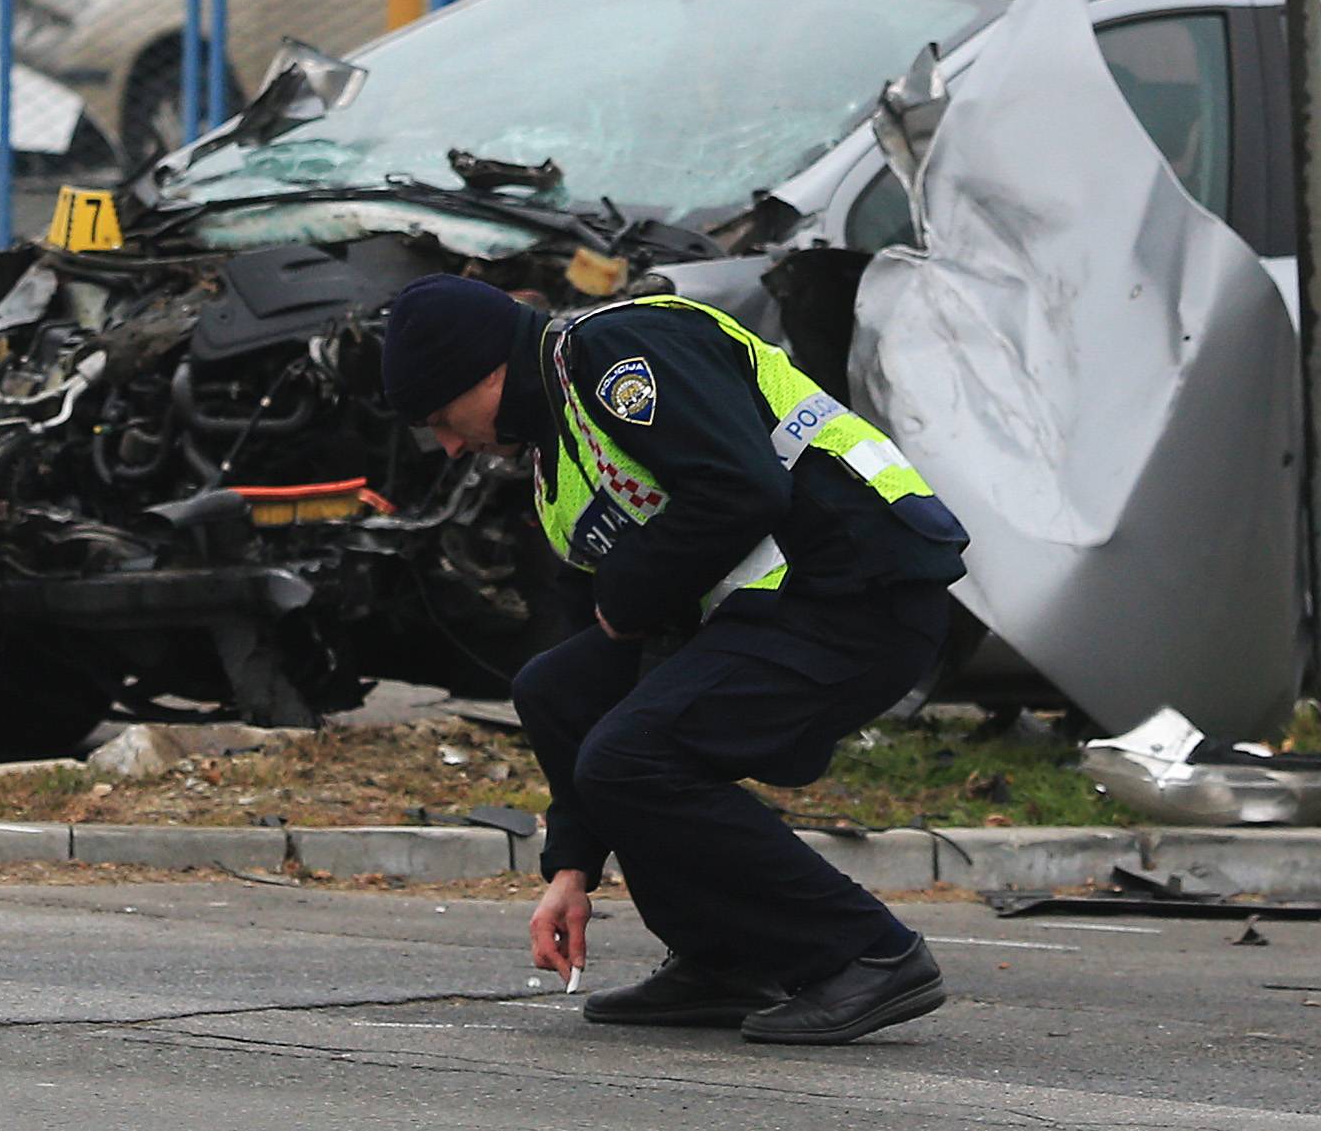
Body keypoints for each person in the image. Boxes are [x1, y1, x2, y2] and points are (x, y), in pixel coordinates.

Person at [379, 271, 969, 1048]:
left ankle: (869, 952)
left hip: (861, 583)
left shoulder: (621, 349)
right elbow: (606, 635)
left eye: (443, 419)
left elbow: (739, 487)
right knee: (558, 688)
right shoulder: (560, 467)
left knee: (635, 754)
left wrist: (626, 602)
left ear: (488, 370)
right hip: (775, 608)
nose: (451, 446)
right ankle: (724, 960)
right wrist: (572, 867)